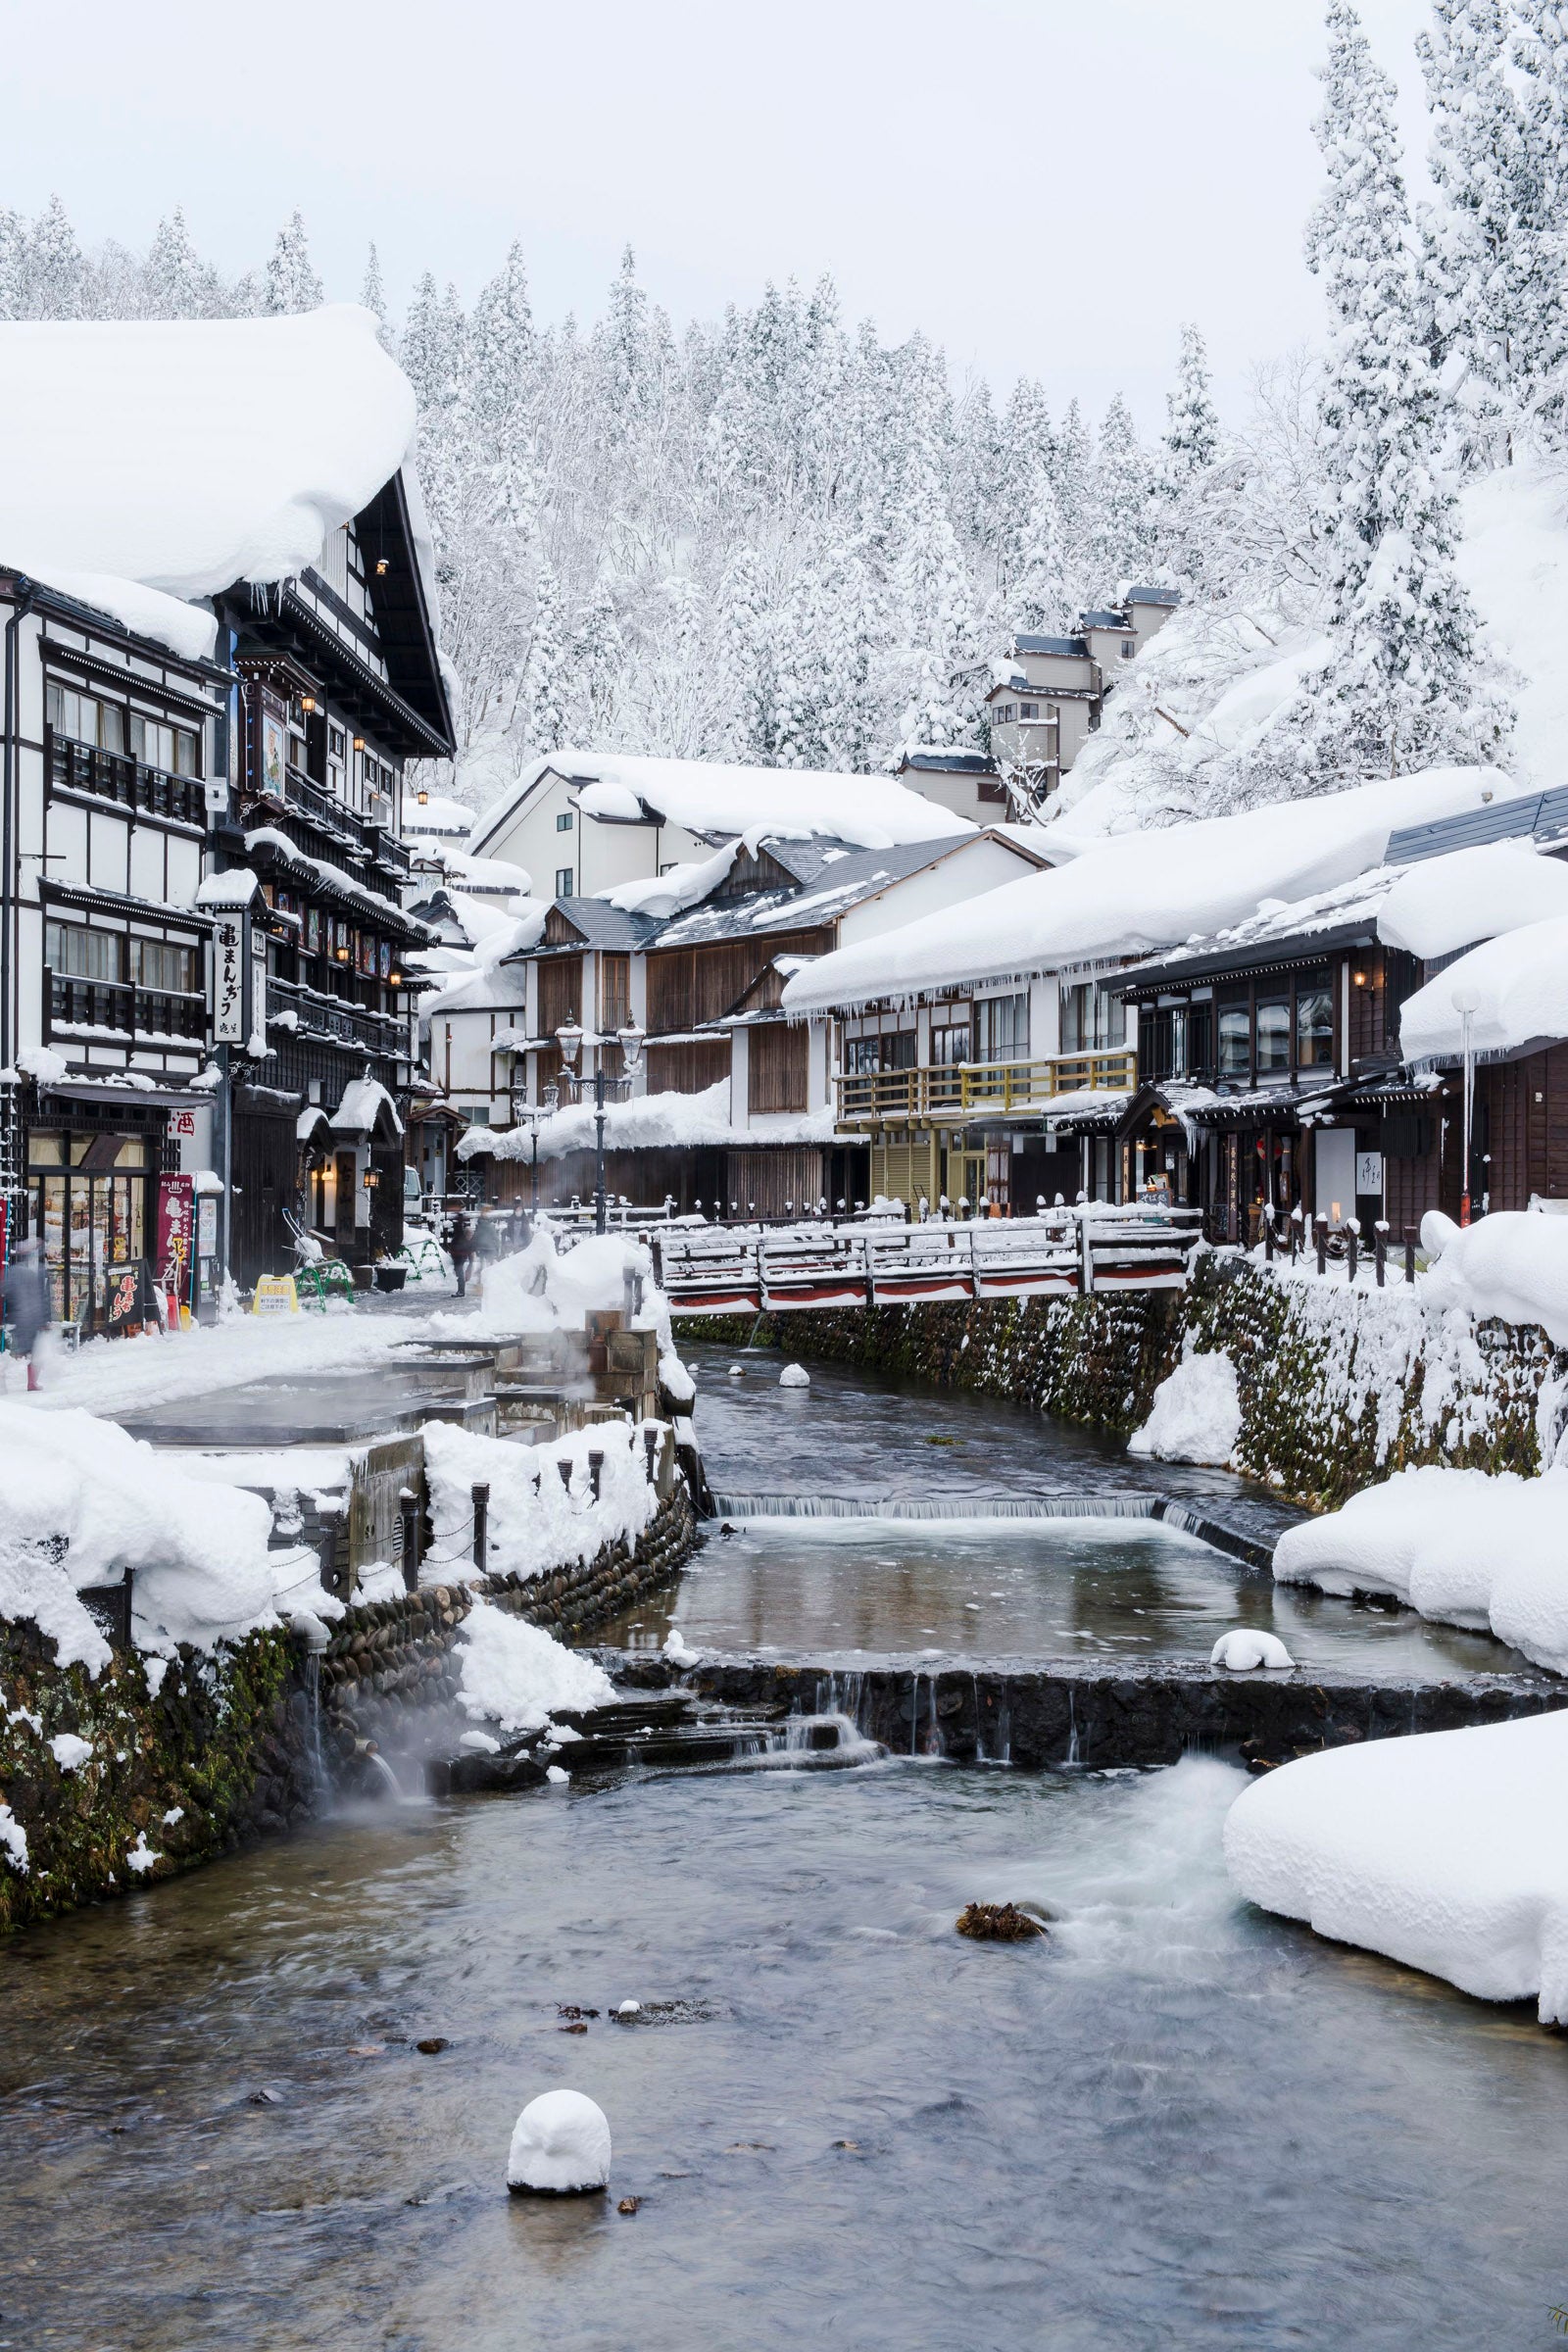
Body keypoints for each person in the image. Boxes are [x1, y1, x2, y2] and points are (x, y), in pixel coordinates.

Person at [3, 1238, 53, 1391]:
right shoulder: (39, 1271)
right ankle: (32, 1383)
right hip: (35, 1317)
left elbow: (4, 1290)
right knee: (34, 1352)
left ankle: (6, 1381)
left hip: (19, 1317)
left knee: (16, 1352)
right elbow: (44, 1297)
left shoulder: (12, 1272)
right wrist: (45, 1320)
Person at [448, 1212, 475, 1298]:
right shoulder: (461, 1236)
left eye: (471, 1235)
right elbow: (459, 1227)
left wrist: (471, 1264)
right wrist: (460, 1217)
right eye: (469, 1235)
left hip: (460, 1259)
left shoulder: (470, 1242)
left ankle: (461, 1292)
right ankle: (461, 1291)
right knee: (459, 1274)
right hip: (457, 1257)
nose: (470, 1237)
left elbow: (470, 1253)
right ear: (466, 1234)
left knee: (460, 1274)